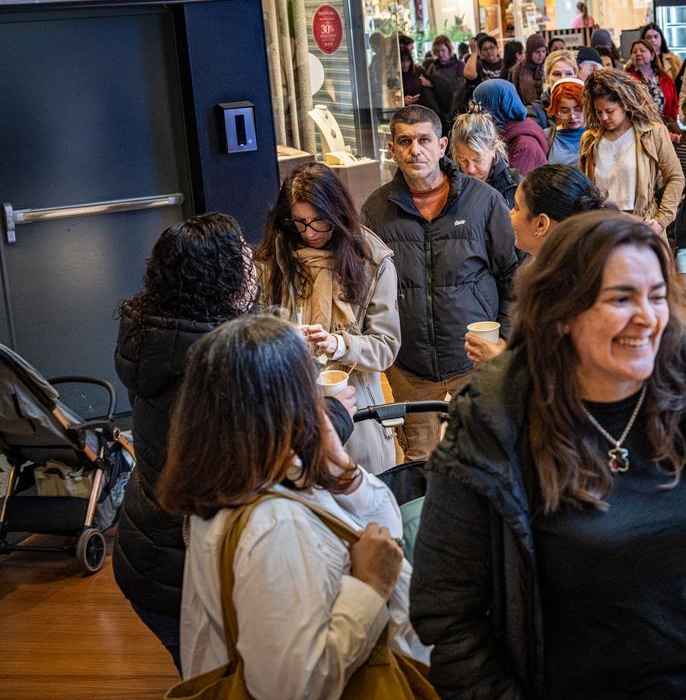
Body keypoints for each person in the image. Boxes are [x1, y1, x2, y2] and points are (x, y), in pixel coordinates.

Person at [412, 212, 686, 699]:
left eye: (658, 296)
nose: (648, 317)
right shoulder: (493, 423)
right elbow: (448, 612)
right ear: (562, 312)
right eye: (622, 298)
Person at [158, 315, 430, 696]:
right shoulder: (273, 526)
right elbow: (290, 687)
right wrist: (369, 587)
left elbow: (383, 522)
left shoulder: (247, 478)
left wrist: (342, 466)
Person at [113, 213, 263, 673]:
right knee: (220, 679)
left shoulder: (151, 333)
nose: (253, 262)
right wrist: (333, 412)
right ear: (220, 280)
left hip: (144, 549)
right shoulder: (216, 365)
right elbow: (274, 460)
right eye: (242, 257)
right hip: (182, 567)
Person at [362, 104, 520, 462]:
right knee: (422, 464)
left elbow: (512, 272)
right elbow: (367, 286)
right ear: (392, 149)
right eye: (404, 141)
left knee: (490, 456)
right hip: (410, 366)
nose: (414, 150)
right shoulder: (375, 210)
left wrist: (505, 338)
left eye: (423, 140)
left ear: (442, 145)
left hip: (475, 359)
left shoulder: (483, 202)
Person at [257, 162, 402, 474]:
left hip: (356, 408)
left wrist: (340, 344)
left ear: (337, 213)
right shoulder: (274, 260)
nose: (310, 232)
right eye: (300, 222)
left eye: (319, 221)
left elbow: (386, 347)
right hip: (290, 408)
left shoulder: (373, 261)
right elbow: (258, 329)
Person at [463, 164, 608, 365]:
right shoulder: (559, 270)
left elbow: (562, 370)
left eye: (516, 208)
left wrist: (500, 361)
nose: (510, 215)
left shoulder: (568, 288)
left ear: (541, 224)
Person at [579, 69, 684, 240]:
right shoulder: (590, 139)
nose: (604, 117)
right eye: (599, 112)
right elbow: (585, 188)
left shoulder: (653, 133)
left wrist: (661, 220)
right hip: (602, 227)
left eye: (610, 110)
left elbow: (675, 177)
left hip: (642, 224)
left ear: (625, 104)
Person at [472, 78, 549, 176]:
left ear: (494, 107)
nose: (475, 113)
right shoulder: (505, 133)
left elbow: (510, 189)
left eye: (480, 106)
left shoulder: (525, 146)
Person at [450, 102, 519, 207]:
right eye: (463, 160)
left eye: (477, 160)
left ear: (494, 149)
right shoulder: (449, 186)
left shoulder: (516, 188)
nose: (470, 170)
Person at [628, 38, 681, 136]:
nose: (638, 53)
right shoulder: (626, 79)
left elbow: (674, 104)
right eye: (634, 52)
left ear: (652, 55)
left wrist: (670, 124)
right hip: (638, 132)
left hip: (664, 131)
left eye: (642, 51)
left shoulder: (665, 79)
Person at [526, 50, 578, 129]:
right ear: (547, 78)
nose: (563, 78)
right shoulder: (535, 111)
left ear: (576, 76)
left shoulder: (585, 107)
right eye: (557, 74)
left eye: (569, 74)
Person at [545, 77, 586, 168]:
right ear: (556, 111)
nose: (572, 116)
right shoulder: (547, 136)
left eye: (578, 110)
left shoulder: (599, 135)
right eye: (565, 111)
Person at [510, 33, 548, 104]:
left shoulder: (548, 66)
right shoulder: (518, 70)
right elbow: (514, 94)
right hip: (526, 109)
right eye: (537, 52)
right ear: (530, 52)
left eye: (543, 51)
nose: (541, 55)